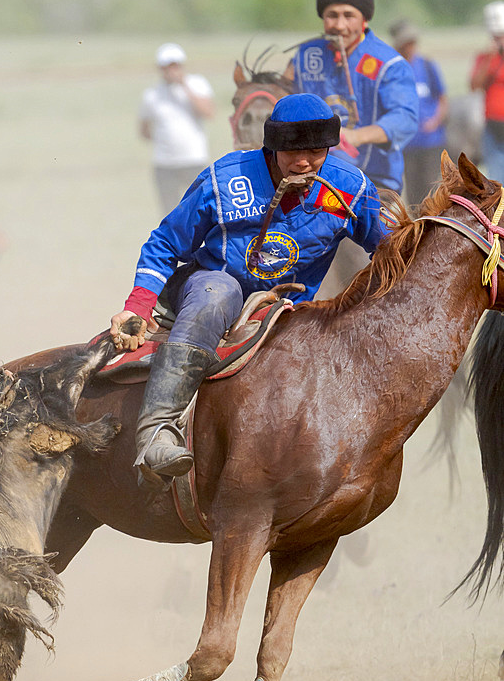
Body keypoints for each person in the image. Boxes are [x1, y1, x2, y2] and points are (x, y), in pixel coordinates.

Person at [109, 93, 386, 484]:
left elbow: (391, 248)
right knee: (217, 292)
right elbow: (166, 242)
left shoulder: (349, 189)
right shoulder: (224, 179)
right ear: (272, 146)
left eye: (315, 151)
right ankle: (157, 430)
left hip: (289, 309)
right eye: (292, 151)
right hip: (212, 284)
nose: (304, 161)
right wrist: (138, 305)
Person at [284, 0, 418, 192]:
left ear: (364, 18)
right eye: (332, 15)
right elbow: (283, 99)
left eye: (349, 15)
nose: (339, 25)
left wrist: (356, 136)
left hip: (376, 180)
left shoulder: (389, 63)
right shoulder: (306, 56)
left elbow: (405, 118)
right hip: (315, 178)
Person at [139, 43, 215, 216]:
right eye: (167, 67)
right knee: (169, 213)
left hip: (194, 159)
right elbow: (143, 129)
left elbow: (209, 112)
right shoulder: (152, 94)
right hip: (164, 164)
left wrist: (184, 86)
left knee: (201, 209)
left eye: (175, 65)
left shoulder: (198, 84)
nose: (171, 71)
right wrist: (162, 140)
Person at [388, 19, 448, 206]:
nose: (410, 46)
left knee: (433, 190)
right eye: (406, 42)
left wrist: (435, 121)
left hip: (431, 141)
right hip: (405, 144)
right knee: (413, 193)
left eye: (412, 41)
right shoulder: (390, 70)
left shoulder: (428, 66)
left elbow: (442, 99)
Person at [470, 1, 504, 185]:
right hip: (493, 125)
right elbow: (475, 85)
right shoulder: (485, 57)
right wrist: (490, 58)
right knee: (496, 177)